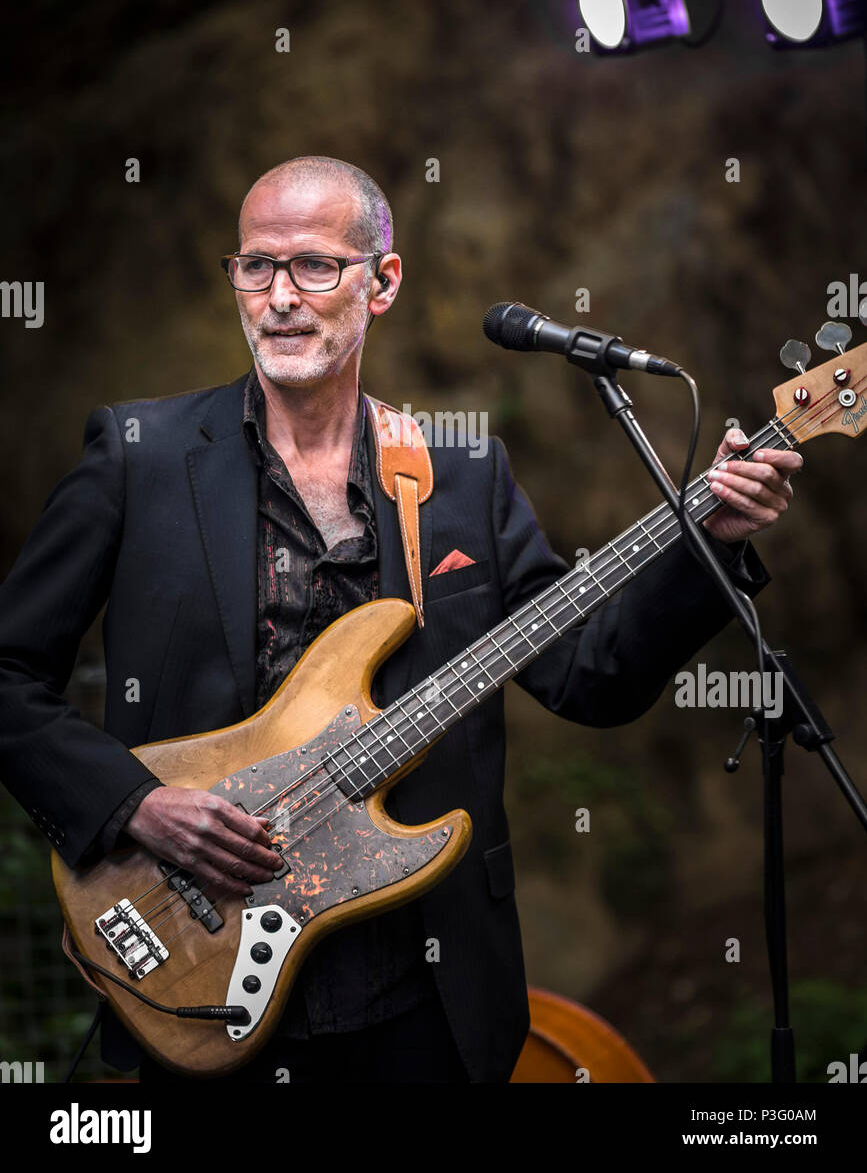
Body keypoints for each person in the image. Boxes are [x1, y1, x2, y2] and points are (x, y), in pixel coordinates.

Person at [0, 156, 801, 1083]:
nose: (279, 297)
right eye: (255, 267)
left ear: (381, 282)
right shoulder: (141, 456)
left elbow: (591, 678)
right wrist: (135, 805)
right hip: (197, 959)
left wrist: (711, 549)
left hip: (424, 996)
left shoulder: (461, 472)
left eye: (313, 266)